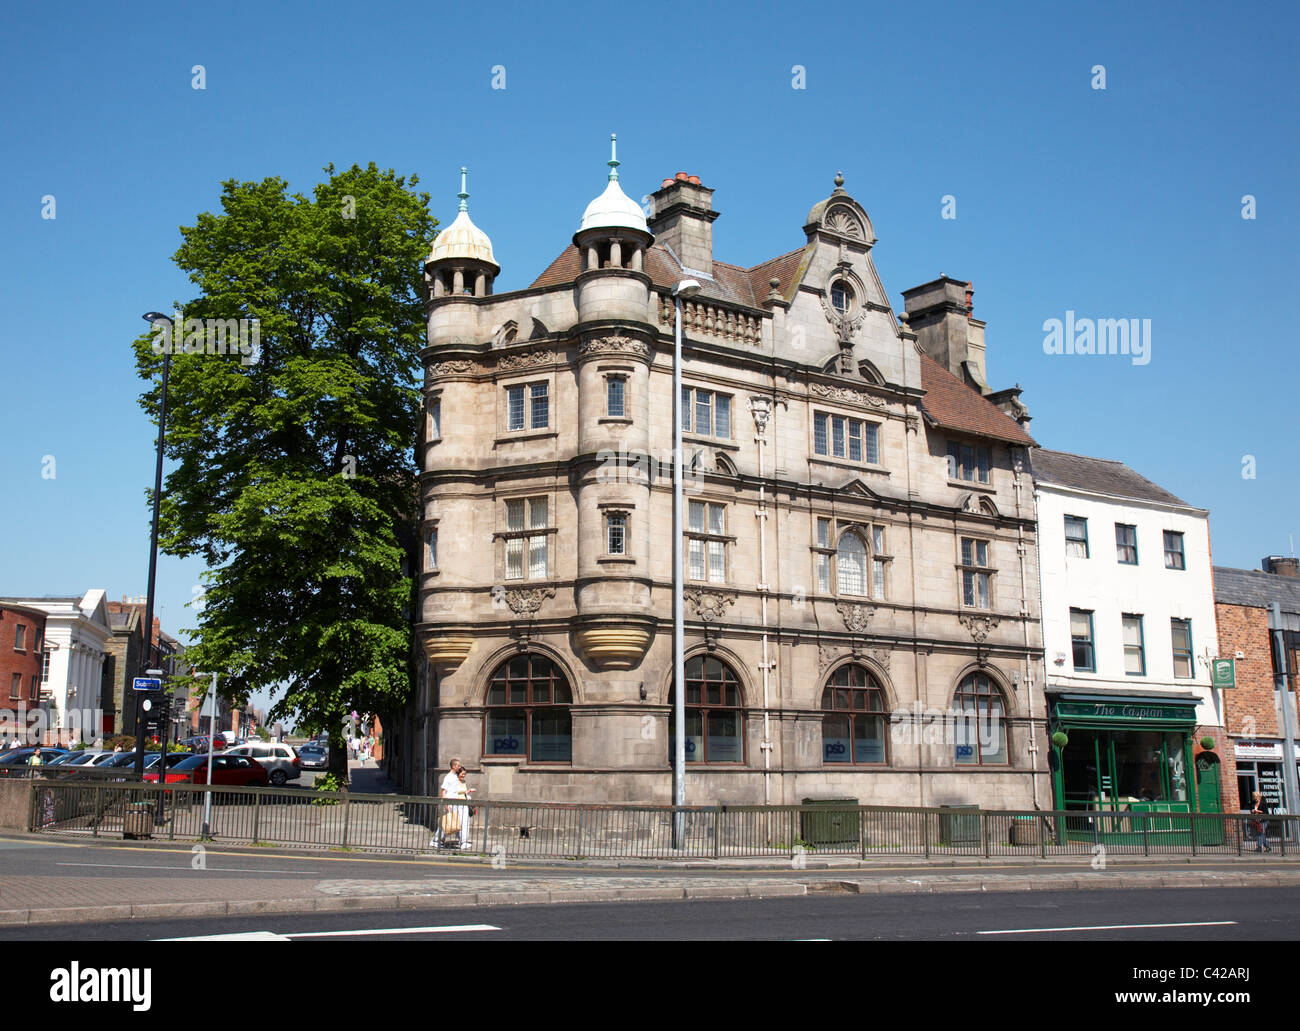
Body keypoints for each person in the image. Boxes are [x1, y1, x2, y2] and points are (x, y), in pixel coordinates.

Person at [433, 758, 463, 848]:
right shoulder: (448, 777)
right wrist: (446, 804)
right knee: (446, 822)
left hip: (455, 803)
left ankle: (461, 840)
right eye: (458, 765)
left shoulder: (455, 776)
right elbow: (443, 791)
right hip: (449, 803)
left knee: (455, 822)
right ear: (453, 766)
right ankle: (437, 839)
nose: (459, 767)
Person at [455, 765, 476, 850]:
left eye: (464, 774)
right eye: (462, 774)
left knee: (465, 823)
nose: (463, 775)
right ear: (458, 773)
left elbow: (463, 793)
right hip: (457, 804)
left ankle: (463, 841)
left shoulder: (464, 782)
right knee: (457, 823)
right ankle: (438, 839)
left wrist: (469, 791)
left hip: (464, 804)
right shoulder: (454, 782)